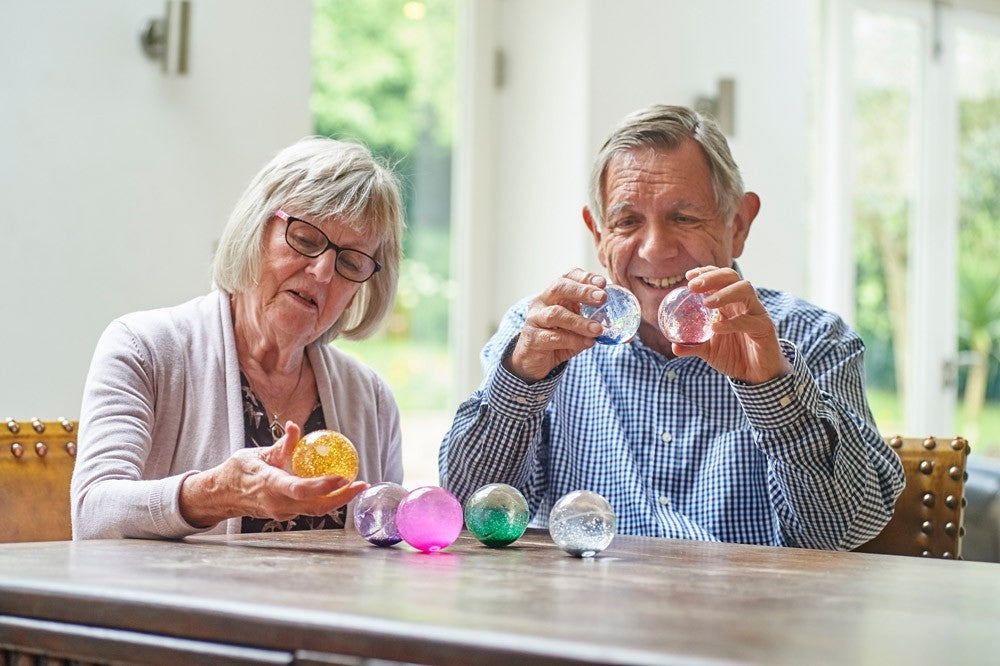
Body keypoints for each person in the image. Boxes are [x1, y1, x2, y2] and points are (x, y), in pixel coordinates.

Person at [439, 104, 904, 550]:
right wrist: (520, 382)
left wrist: (773, 389)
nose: (656, 250)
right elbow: (461, 514)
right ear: (598, 235)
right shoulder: (540, 335)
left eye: (683, 218)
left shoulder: (814, 338)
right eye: (627, 222)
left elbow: (843, 531)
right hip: (584, 622)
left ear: (738, 223)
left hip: (751, 624)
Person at [71, 137, 404, 539]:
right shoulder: (143, 349)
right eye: (306, 239)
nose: (322, 272)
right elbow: (93, 515)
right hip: (181, 603)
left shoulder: (371, 398)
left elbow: (382, 543)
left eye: (351, 260)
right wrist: (215, 494)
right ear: (256, 229)